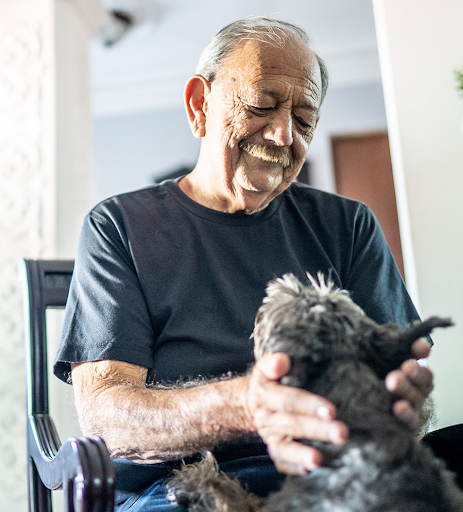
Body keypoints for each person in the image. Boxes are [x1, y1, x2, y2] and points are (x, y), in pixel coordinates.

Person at [54, 17, 434, 511]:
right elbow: (107, 417)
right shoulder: (119, 225)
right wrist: (249, 405)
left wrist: (404, 400)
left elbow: (403, 381)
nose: (282, 136)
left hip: (330, 481)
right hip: (173, 491)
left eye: (304, 120)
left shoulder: (349, 225)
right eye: (261, 106)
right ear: (199, 105)